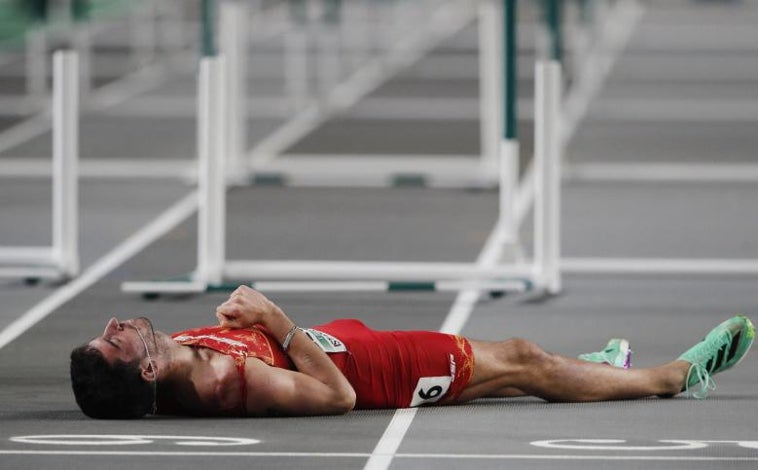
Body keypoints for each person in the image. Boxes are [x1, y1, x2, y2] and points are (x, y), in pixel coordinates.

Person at [70, 286, 754, 419]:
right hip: (374, 369)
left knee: (502, 373)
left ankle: (599, 370)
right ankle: (673, 377)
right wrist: (276, 320)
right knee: (519, 357)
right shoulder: (222, 382)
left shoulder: (179, 352)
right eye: (114, 341)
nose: (113, 323)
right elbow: (336, 397)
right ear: (149, 370)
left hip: (341, 341)